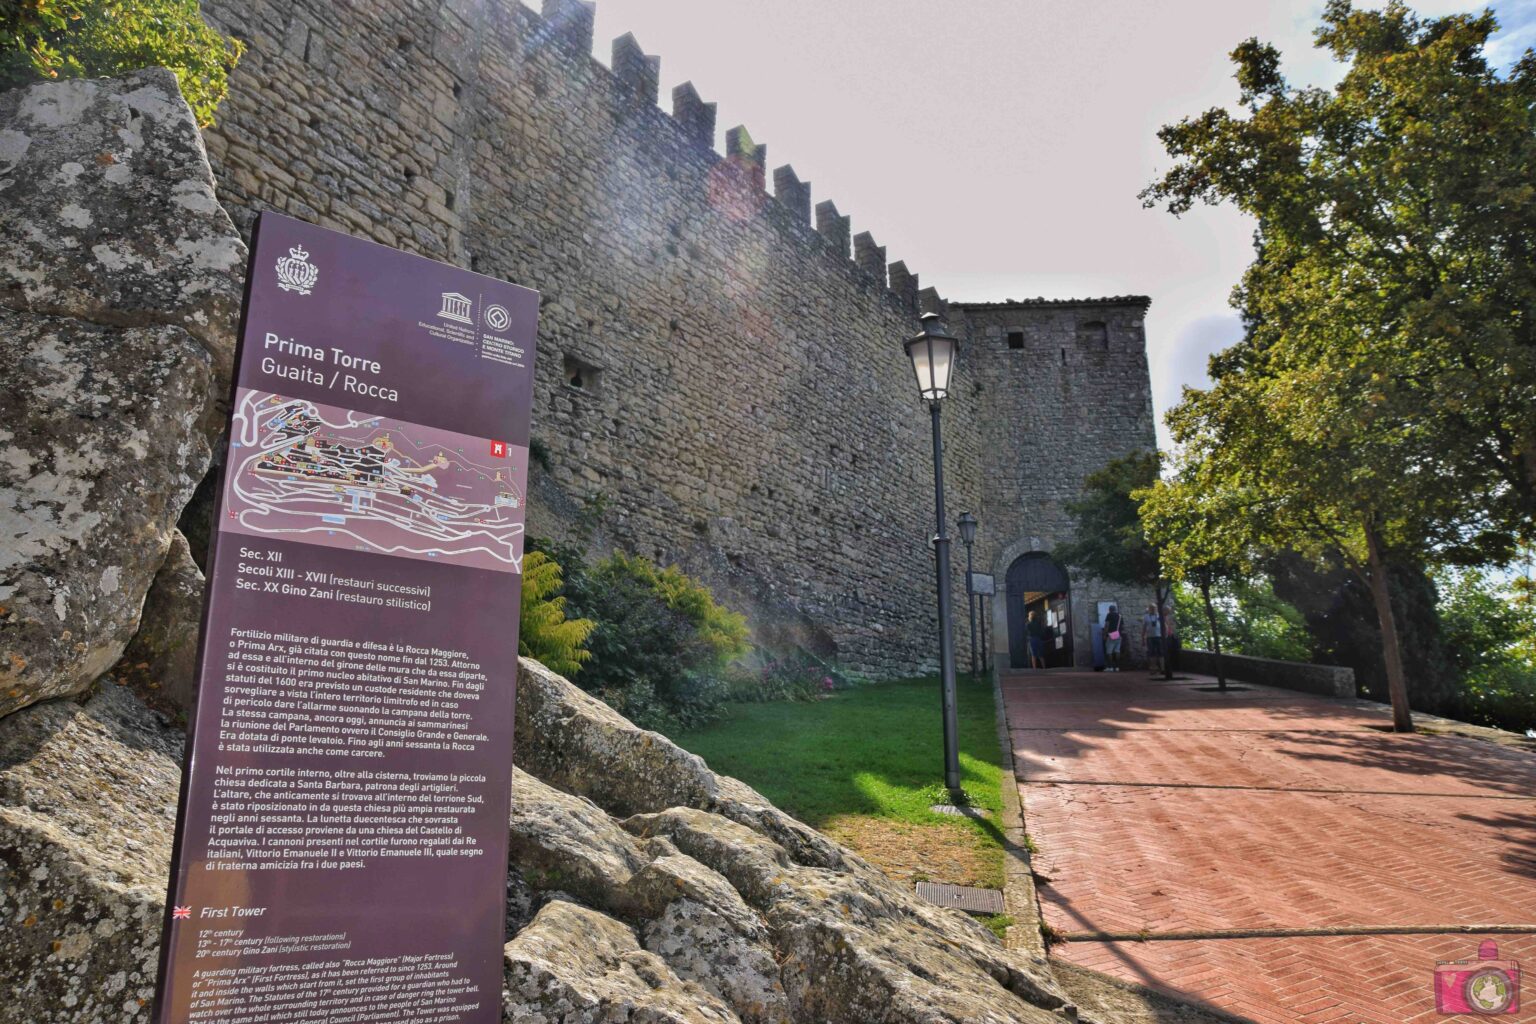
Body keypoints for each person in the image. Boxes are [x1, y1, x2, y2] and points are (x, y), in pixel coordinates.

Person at [1142, 603, 1163, 674]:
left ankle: (1162, 669)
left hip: (1159, 636)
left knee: (1161, 653)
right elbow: (1144, 628)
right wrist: (1143, 638)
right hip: (1150, 637)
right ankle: (1153, 668)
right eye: (1152, 608)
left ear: (1156, 609)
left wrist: (1165, 635)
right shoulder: (1146, 617)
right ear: (1149, 609)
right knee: (1152, 653)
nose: (1153, 609)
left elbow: (1165, 625)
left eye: (1154, 608)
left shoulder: (1159, 616)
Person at [1103, 604, 1123, 671]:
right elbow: (1122, 626)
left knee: (1109, 652)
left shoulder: (1109, 615)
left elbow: (1107, 625)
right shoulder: (1120, 616)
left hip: (1111, 634)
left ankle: (1110, 667)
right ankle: (1117, 667)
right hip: (1118, 634)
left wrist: (1105, 635)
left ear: (1110, 610)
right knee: (1117, 651)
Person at [1162, 602, 1180, 674]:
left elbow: (1170, 626)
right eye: (1167, 611)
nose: (1168, 613)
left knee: (1171, 650)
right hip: (1166, 636)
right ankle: (1166, 667)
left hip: (1170, 635)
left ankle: (1170, 666)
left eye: (1169, 611)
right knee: (1166, 651)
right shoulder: (1161, 617)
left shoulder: (1167, 617)